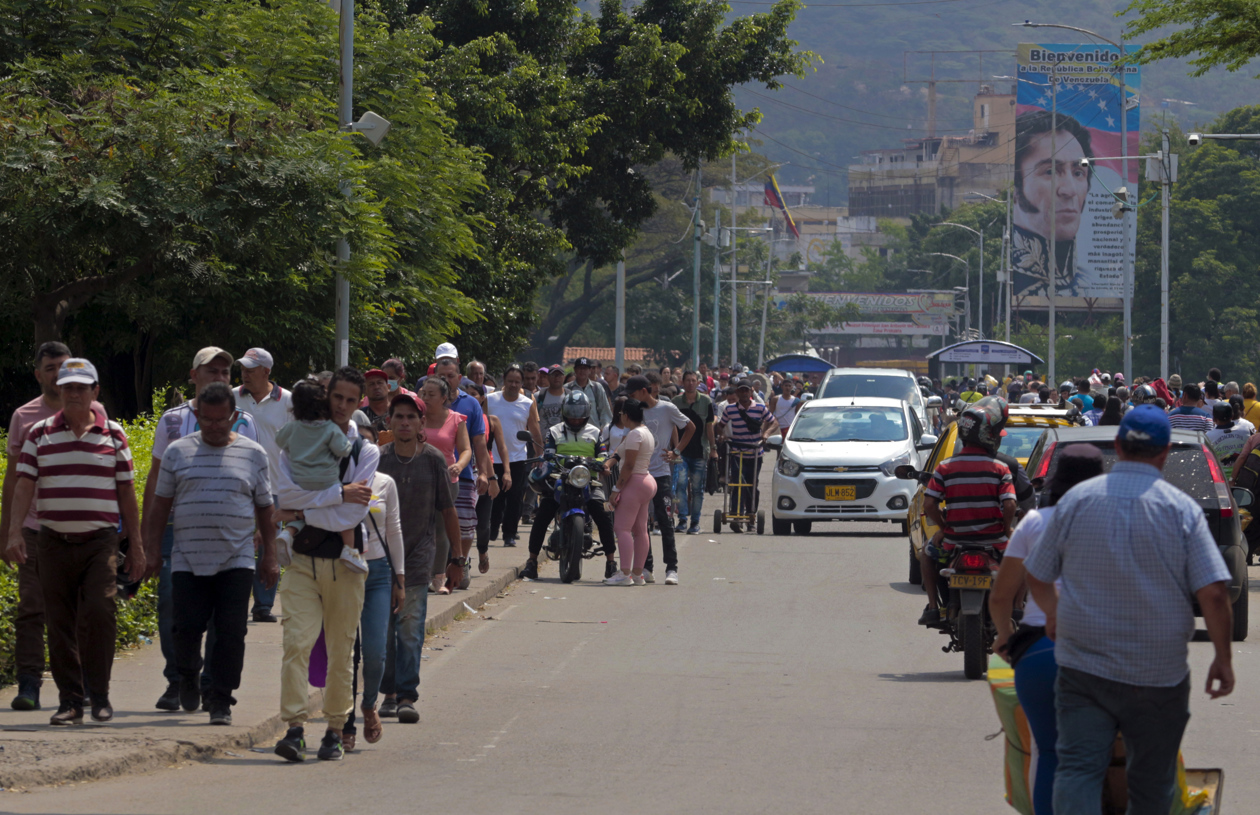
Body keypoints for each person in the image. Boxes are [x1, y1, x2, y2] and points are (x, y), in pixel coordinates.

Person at [1024, 405, 1235, 813]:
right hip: (1157, 674)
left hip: (1083, 666)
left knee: (1079, 768)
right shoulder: (1182, 510)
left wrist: (1054, 614)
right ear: (1165, 453)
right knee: (1151, 783)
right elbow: (1212, 593)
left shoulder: (1075, 503)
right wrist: (1222, 659)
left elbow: (1037, 573)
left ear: (1118, 447)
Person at [6, 359, 144, 725]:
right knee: (60, 621)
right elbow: (24, 485)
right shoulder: (39, 433)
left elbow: (127, 490)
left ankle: (99, 695)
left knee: (100, 612)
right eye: (68, 387)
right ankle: (70, 701)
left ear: (95, 391)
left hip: (99, 542)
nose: (75, 393)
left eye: (82, 387)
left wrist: (138, 544)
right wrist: (14, 531)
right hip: (52, 541)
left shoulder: (113, 434)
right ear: (60, 390)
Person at [145, 383, 278, 726]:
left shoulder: (253, 454)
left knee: (232, 632)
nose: (215, 426)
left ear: (234, 417)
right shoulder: (178, 452)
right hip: (187, 559)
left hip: (236, 559)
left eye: (222, 420)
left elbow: (265, 507)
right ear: (197, 415)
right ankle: (188, 675)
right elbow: (160, 506)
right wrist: (152, 551)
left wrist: (270, 556)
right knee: (185, 628)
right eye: (207, 419)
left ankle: (221, 699)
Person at [989, 445, 1105, 815]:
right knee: (1094, 754)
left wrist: (1006, 636)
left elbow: (1000, 596)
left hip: (1038, 655)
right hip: (1101, 654)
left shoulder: (1035, 523)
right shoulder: (1113, 520)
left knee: (1048, 751)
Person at [272, 367, 377, 763]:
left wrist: (298, 509)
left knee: (340, 650)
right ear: (326, 395)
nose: (343, 407)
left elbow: (348, 519)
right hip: (302, 563)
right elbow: (283, 492)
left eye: (352, 401)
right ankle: (295, 728)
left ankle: (335, 728)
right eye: (338, 398)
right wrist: (337, 493)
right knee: (295, 644)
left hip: (345, 566)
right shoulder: (294, 442)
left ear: (359, 403)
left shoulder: (365, 452)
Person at [1, 342, 106, 712]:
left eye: (63, 367)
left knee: (80, 611)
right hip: (35, 529)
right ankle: (29, 682)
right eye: (50, 368)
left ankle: (79, 687)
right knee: (31, 607)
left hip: (84, 532)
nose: (57, 374)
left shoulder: (96, 411)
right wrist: (8, 533)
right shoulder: (23, 416)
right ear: (39, 374)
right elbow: (14, 479)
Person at [376, 393, 460, 727]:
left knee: (409, 628)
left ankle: (407, 695)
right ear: (389, 422)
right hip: (380, 558)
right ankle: (389, 693)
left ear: (422, 423)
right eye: (399, 417)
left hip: (419, 555)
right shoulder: (377, 460)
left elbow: (447, 510)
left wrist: (458, 557)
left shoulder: (434, 460)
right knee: (383, 630)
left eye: (412, 417)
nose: (405, 423)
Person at [918, 397, 1016, 626]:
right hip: (994, 541)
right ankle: (1018, 607)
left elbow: (929, 505)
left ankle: (933, 607)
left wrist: (945, 529)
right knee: (1025, 556)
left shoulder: (945, 468)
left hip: (954, 541)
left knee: (926, 554)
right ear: (988, 436)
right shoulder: (1001, 469)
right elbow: (1010, 505)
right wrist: (1005, 529)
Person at [522, 391, 618, 580]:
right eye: (571, 413)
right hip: (560, 479)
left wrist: (601, 463)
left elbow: (603, 454)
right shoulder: (554, 431)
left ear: (587, 412)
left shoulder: (595, 432)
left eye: (579, 413)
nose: (575, 418)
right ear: (565, 412)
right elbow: (549, 451)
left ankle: (611, 562)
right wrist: (550, 458)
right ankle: (532, 562)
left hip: (588, 480)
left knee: (604, 515)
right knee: (542, 515)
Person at [233, 348, 292, 624]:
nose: (245, 373)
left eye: (251, 369)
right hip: (237, 485)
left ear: (267, 372)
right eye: (243, 368)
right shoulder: (231, 398)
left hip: (275, 486)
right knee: (241, 543)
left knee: (269, 546)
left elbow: (296, 444)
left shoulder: (289, 402)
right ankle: (235, 601)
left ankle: (263, 606)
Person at [617, 374, 695, 585]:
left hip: (660, 474)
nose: (630, 397)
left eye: (633, 393)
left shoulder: (666, 408)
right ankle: (646, 568)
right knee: (641, 526)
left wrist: (676, 452)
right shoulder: (635, 410)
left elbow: (690, 427)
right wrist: (613, 459)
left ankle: (671, 568)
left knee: (665, 520)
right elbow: (626, 439)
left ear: (645, 390)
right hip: (638, 476)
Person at [273, 380, 359, 566]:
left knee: (304, 511)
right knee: (342, 515)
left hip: (299, 481)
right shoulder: (329, 428)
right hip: (327, 482)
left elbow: (279, 440)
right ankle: (349, 550)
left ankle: (288, 533)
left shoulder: (292, 428)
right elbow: (344, 450)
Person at [1011, 110, 1095, 298]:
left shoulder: (1093, 286)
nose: (1069, 190)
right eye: (1050, 171)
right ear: (1015, 187)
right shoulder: (1002, 281)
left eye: (1078, 173)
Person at [434, 351, 491, 590]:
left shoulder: (470, 404)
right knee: (434, 525)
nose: (446, 380)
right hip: (432, 475)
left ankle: (462, 561)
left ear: (459, 378)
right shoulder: (425, 402)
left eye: (450, 376)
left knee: (466, 524)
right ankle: (435, 570)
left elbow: (479, 442)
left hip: (463, 475)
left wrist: (484, 473)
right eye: (441, 376)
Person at [419, 376, 471, 593]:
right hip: (417, 480)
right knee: (419, 528)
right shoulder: (415, 418)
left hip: (447, 481)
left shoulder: (456, 419)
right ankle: (418, 574)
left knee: (441, 529)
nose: (426, 398)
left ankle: (438, 577)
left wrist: (459, 465)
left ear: (443, 398)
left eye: (431, 395)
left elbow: (466, 449)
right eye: (423, 394)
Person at [487, 365, 542, 549]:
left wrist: (539, 455)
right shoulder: (490, 400)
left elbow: (534, 431)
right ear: (503, 380)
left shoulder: (527, 403)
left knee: (515, 497)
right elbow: (482, 428)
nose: (513, 385)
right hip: (493, 457)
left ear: (521, 384)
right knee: (495, 496)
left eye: (517, 382)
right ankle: (492, 528)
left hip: (518, 458)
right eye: (510, 381)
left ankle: (509, 534)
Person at [714, 378, 778, 527]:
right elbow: (720, 425)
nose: (743, 393)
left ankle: (751, 515)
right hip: (737, 453)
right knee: (737, 484)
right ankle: (736, 516)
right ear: (737, 391)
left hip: (755, 454)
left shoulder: (760, 408)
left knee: (751, 485)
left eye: (746, 390)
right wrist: (722, 435)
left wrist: (766, 434)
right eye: (741, 390)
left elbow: (774, 422)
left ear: (751, 392)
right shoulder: (730, 409)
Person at [607, 398, 655, 586]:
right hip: (646, 481)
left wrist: (616, 489)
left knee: (622, 528)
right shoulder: (645, 432)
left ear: (626, 415)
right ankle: (637, 574)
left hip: (635, 482)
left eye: (621, 414)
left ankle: (625, 573)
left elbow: (628, 465)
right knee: (640, 530)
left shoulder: (635, 434)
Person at [671, 372, 718, 535]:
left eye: (693, 381)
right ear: (682, 382)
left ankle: (695, 522)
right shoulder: (676, 401)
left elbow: (709, 427)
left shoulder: (706, 401)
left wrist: (713, 449)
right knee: (680, 485)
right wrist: (676, 448)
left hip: (700, 451)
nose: (690, 383)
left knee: (697, 489)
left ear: (698, 383)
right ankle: (682, 519)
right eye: (687, 381)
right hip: (681, 452)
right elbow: (673, 427)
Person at [565, 356, 613, 430]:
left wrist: (604, 430)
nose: (582, 371)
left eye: (585, 368)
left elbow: (605, 412)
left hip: (593, 433)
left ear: (590, 370)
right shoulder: (567, 388)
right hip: (571, 432)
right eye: (580, 368)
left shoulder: (597, 387)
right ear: (575, 370)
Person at [1207, 402, 1251, 481]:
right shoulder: (1246, 431)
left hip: (1220, 481)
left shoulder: (1208, 436)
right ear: (1232, 416)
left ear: (1214, 418)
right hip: (1243, 479)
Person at [360, 368, 393, 437]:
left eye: (379, 383)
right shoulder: (360, 416)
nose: (376, 387)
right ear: (364, 391)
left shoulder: (398, 413)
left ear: (388, 387)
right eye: (371, 384)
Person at [535, 364, 567, 430]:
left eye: (559, 375)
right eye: (553, 375)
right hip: (543, 439)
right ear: (548, 377)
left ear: (564, 377)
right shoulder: (538, 396)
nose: (556, 378)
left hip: (564, 439)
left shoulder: (569, 396)